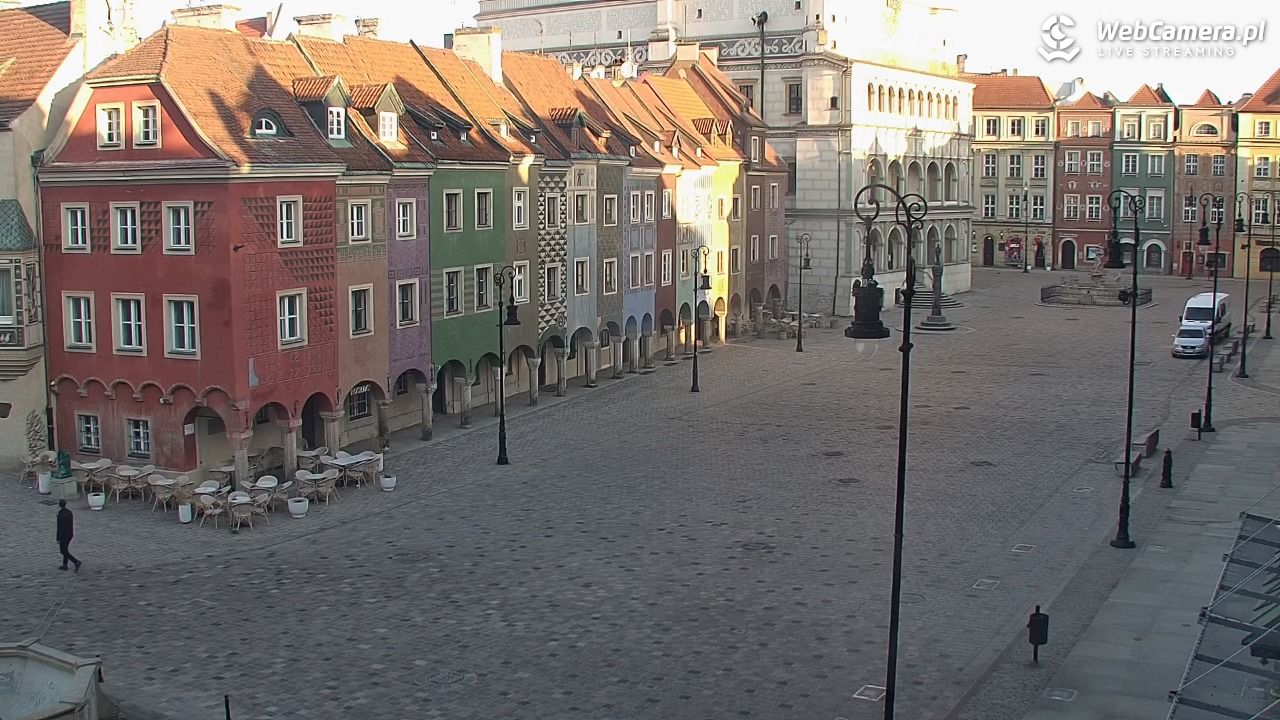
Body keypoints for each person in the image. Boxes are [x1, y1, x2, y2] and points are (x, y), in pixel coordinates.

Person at [56, 499, 81, 572]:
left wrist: (58, 538)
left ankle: (76, 562)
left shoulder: (60, 514)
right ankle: (65, 564)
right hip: (69, 534)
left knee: (63, 551)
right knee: (65, 549)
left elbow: (59, 527)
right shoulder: (69, 512)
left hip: (63, 535)